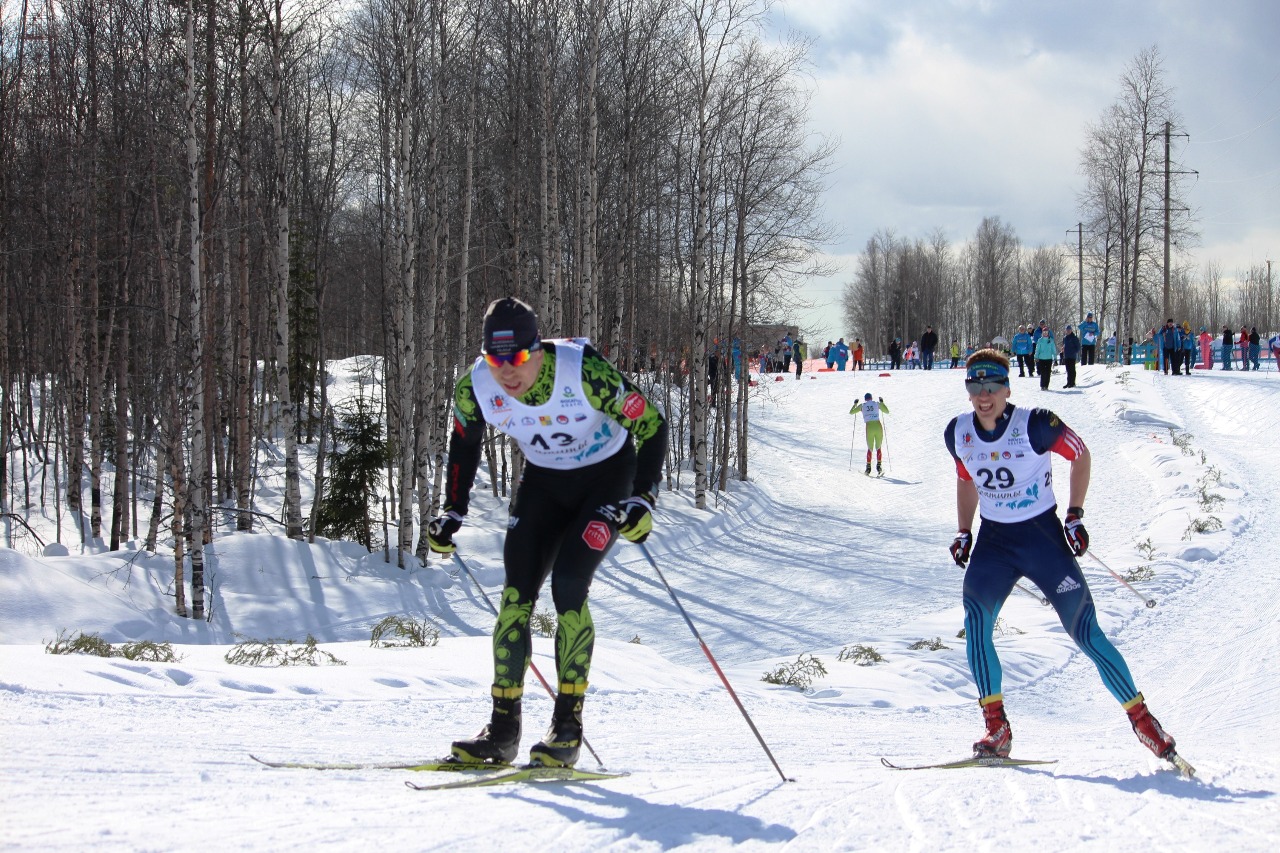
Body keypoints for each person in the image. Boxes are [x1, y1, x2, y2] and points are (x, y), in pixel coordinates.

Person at [428, 297, 669, 769]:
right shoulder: (475, 387)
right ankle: (502, 731)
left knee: (568, 587)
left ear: (537, 349)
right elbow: (464, 445)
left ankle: (567, 728)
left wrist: (643, 497)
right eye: (496, 360)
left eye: (517, 357)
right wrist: (452, 512)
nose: (507, 373)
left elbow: (653, 424)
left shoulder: (582, 372)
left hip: (605, 480)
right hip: (542, 485)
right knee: (515, 597)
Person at [943, 349, 1181, 766]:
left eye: (992, 386)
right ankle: (996, 726)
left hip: (1042, 540)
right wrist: (964, 531)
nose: (984, 395)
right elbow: (965, 478)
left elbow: (1081, 453)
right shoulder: (957, 433)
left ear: (1006, 388)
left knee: (1085, 632)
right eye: (975, 386)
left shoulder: (1035, 423)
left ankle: (1143, 721)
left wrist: (1074, 515)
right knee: (976, 621)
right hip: (995, 544)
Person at [849, 392, 889, 475]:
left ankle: (868, 468)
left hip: (869, 427)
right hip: (878, 426)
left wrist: (855, 404)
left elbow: (851, 412)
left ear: (865, 399)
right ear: (871, 398)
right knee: (878, 447)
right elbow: (887, 411)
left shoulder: (862, 406)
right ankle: (879, 467)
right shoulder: (876, 404)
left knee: (870, 448)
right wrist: (882, 402)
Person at [1034, 325, 1056, 390]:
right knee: (1043, 372)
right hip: (1041, 358)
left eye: (1046, 332)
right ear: (1042, 333)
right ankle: (1042, 385)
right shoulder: (1040, 340)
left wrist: (1055, 357)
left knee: (1048, 372)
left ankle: (1046, 385)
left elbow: (1053, 349)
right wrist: (1036, 356)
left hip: (1049, 358)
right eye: (1044, 332)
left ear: (1048, 333)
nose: (1045, 333)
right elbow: (1037, 349)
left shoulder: (1051, 340)